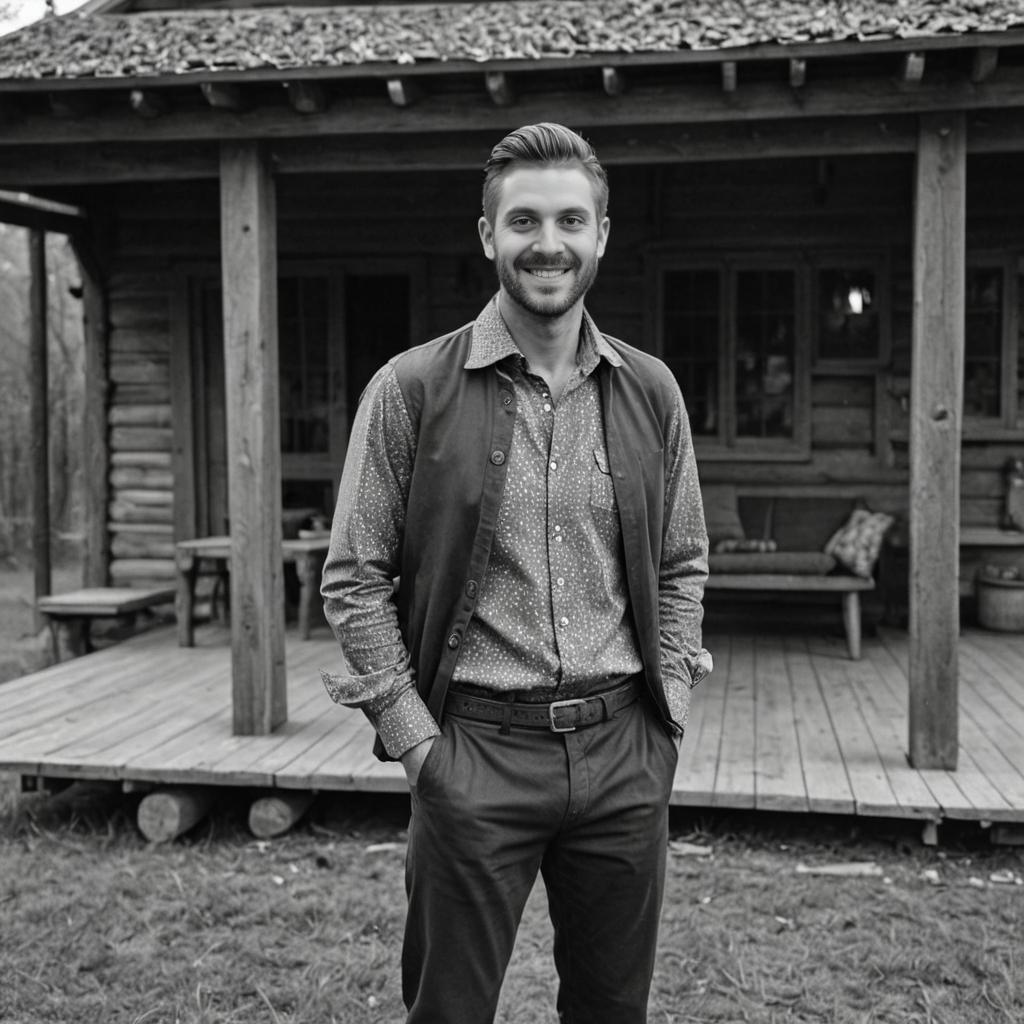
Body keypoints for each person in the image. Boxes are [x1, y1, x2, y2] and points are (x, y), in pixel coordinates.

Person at [320, 122, 712, 1024]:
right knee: (450, 1012)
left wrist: (669, 711)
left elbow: (683, 559)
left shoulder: (652, 392)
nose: (549, 243)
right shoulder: (411, 389)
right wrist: (420, 747)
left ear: (601, 235)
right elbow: (353, 576)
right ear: (489, 235)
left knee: (613, 1010)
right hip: (475, 752)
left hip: (623, 754)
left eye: (571, 220)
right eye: (525, 220)